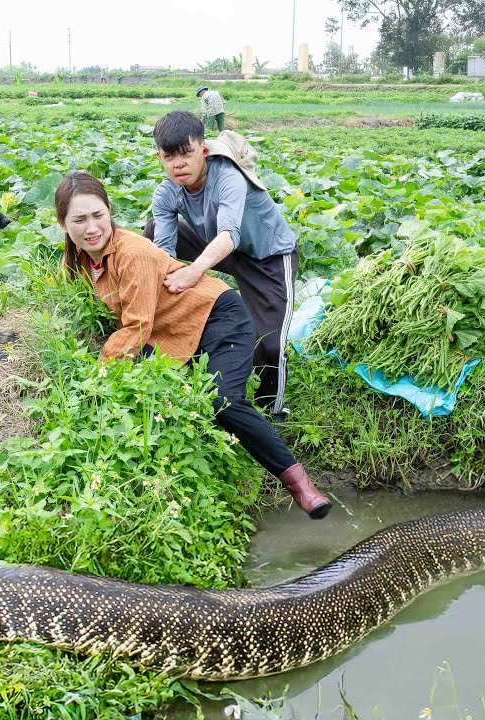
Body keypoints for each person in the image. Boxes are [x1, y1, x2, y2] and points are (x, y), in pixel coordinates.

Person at [54, 171, 332, 519]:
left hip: (219, 319)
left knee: (223, 400)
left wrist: (96, 375)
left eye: (98, 215)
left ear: (110, 211)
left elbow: (137, 326)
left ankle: (301, 487)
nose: (91, 227)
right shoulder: (78, 260)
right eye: (79, 219)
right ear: (63, 223)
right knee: (168, 390)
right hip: (173, 333)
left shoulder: (132, 253)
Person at [144, 110, 297, 422]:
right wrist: (168, 281)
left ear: (202, 151)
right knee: (149, 232)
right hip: (219, 248)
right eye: (169, 156)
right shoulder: (167, 191)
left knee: (268, 345)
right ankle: (174, 322)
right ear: (159, 156)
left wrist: (193, 271)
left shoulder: (228, 176)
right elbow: (163, 248)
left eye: (186, 154)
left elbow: (230, 234)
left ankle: (273, 411)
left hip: (267, 256)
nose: (178, 165)